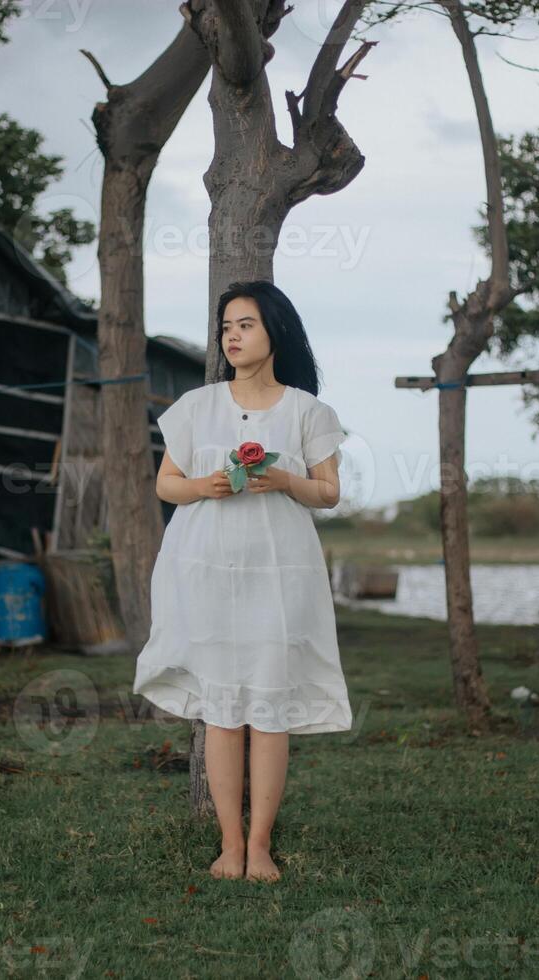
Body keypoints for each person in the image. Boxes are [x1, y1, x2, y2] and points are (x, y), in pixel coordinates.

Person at [133, 280, 353, 883]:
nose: (233, 336)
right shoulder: (196, 406)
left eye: (246, 324)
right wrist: (208, 485)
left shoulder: (308, 410)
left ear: (274, 331)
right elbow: (167, 484)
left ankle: (261, 846)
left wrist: (285, 480)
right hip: (205, 569)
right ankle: (229, 844)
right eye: (227, 326)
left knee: (269, 707)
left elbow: (329, 493)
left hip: (278, 573)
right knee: (224, 709)